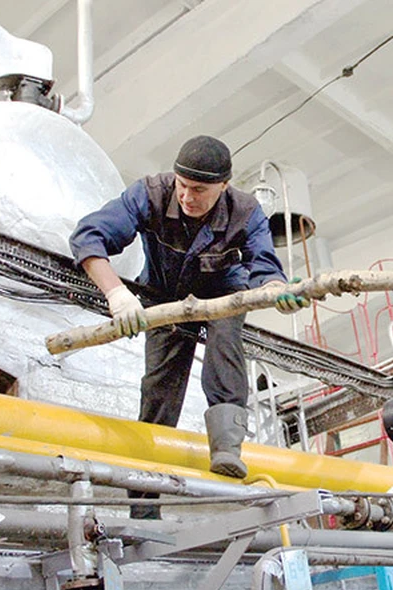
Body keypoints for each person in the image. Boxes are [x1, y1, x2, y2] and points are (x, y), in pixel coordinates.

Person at [69, 135, 307, 502]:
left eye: (199, 190)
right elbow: (89, 235)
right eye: (182, 186)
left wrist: (277, 291)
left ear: (223, 187)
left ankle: (227, 448)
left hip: (223, 293)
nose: (187, 197)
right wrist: (116, 293)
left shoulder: (246, 211)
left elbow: (264, 268)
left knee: (225, 343)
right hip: (163, 295)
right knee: (159, 385)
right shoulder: (150, 193)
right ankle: (145, 490)